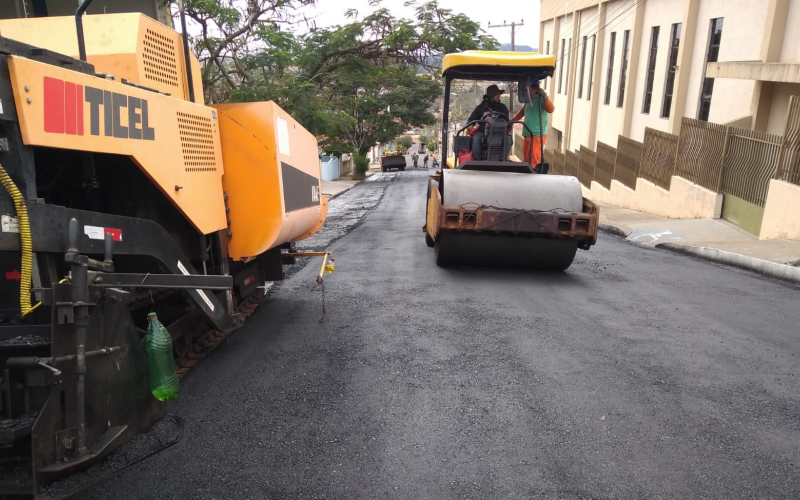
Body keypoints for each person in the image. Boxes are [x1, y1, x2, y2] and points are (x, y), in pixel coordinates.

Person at [512, 81, 555, 166]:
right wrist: (512, 120)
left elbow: (551, 109)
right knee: (527, 161)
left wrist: (544, 96)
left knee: (533, 163)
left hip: (536, 135)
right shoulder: (529, 99)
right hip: (528, 134)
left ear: (534, 88)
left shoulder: (541, 99)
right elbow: (523, 111)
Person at [467, 84, 511, 161]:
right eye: (497, 94)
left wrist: (494, 119)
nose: (499, 96)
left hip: (499, 132)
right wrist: (470, 124)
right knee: (476, 138)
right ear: (491, 96)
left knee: (508, 139)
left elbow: (507, 121)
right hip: (483, 131)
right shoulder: (481, 107)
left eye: (499, 94)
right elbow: (471, 119)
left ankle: (502, 160)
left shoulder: (502, 108)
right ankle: (477, 161)